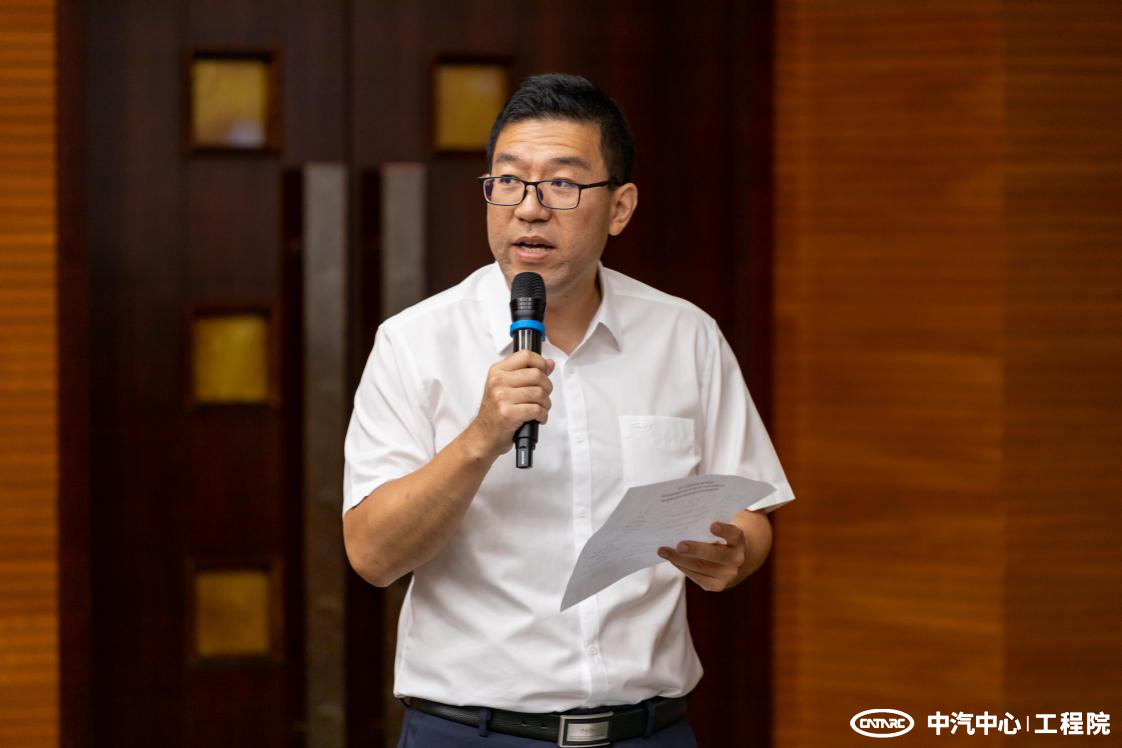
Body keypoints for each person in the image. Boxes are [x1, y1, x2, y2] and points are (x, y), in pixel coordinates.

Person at [342, 73, 795, 747]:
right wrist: (480, 439)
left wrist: (737, 552)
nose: (529, 209)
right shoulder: (413, 343)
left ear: (620, 207)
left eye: (561, 183)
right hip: (471, 734)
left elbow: (751, 511)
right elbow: (372, 556)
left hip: (649, 731)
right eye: (508, 181)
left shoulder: (685, 335)